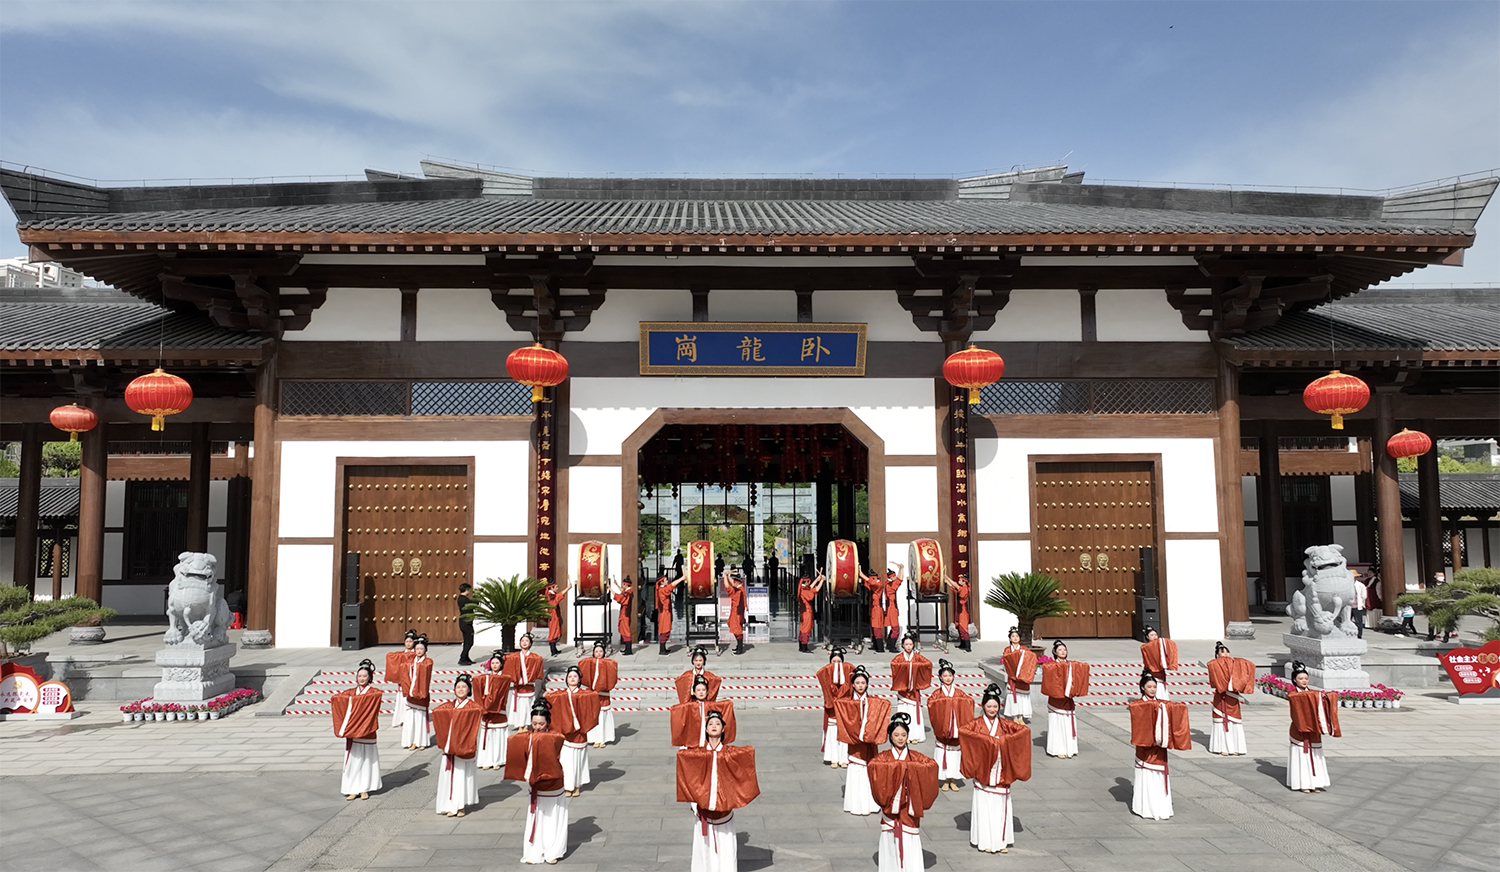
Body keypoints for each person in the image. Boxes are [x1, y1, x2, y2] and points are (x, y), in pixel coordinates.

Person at [676, 709, 759, 872]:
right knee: (703, 856)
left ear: (723, 730)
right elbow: (688, 772)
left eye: (718, 723)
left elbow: (747, 755)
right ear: (706, 730)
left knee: (726, 855)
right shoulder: (698, 754)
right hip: (704, 815)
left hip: (724, 816)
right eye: (711, 724)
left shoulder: (730, 753)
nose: (714, 726)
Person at [959, 684, 1031, 854]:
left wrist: (1004, 741)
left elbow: (1024, 731)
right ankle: (984, 841)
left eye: (995, 706)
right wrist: (987, 742)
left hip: (1001, 773)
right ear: (983, 706)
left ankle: (1001, 841)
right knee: (984, 809)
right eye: (989, 706)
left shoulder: (1005, 724)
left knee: (1000, 808)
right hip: (984, 772)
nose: (992, 709)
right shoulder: (976, 724)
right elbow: (963, 732)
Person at [867, 713, 940, 872]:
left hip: (909, 807)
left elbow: (931, 765)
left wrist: (912, 769)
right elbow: (873, 766)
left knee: (909, 839)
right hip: (891, 807)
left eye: (903, 735)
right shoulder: (883, 758)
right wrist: (899, 769)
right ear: (890, 736)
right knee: (890, 839)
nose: (900, 738)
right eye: (896, 735)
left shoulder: (916, 757)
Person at [505, 700, 568, 865]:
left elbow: (556, 739)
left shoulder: (554, 736)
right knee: (537, 818)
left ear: (548, 723)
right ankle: (535, 851)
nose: (538, 727)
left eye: (541, 724)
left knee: (553, 818)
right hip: (536, 784)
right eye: (534, 724)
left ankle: (553, 851)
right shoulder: (527, 737)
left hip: (553, 783)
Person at [1128, 670, 1190, 820]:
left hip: (1159, 748)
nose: (1152, 690)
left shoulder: (1162, 704)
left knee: (1159, 776)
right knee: (1147, 776)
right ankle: (1146, 808)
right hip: (1146, 749)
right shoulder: (1138, 705)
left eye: (1154, 687)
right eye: (1149, 687)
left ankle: (1161, 808)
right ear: (1142, 688)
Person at [834, 665, 890, 816]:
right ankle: (855, 804)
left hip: (869, 744)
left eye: (863, 683)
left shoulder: (873, 702)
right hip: (855, 745)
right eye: (857, 683)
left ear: (867, 684)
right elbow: (838, 705)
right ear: (852, 684)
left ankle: (871, 803)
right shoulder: (846, 703)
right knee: (856, 770)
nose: (860, 686)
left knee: (869, 770)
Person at [331, 659, 383, 801]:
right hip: (353, 733)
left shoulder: (374, 692)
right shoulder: (350, 692)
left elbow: (375, 699)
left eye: (365, 676)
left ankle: (364, 788)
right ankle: (352, 788)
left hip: (367, 731)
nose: (362, 678)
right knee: (353, 762)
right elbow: (339, 699)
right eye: (359, 676)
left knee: (367, 761)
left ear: (370, 677)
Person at [544, 665, 600, 797]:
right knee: (567, 761)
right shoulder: (560, 695)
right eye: (570, 676)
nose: (572, 678)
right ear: (566, 679)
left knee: (578, 761)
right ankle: (567, 786)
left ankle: (576, 785)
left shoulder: (585, 694)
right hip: (566, 734)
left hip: (580, 734)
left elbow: (593, 706)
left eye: (575, 676)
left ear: (579, 679)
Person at [1286, 661, 1342, 793]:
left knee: (1316, 755)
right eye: (1300, 678)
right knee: (1302, 756)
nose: (1304, 681)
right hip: (1299, 730)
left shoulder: (1314, 694)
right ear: (1294, 680)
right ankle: (1303, 784)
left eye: (1306, 678)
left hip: (1314, 730)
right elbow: (1300, 700)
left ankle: (1316, 783)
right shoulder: (1293, 694)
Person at [432, 674, 482, 817]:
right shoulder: (449, 706)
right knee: (448, 776)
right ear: (454, 689)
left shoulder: (473, 706)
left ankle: (460, 805)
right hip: (450, 747)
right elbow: (437, 712)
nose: (460, 689)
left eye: (464, 687)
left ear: (469, 690)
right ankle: (448, 804)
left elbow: (477, 713)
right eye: (458, 687)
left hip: (462, 746)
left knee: (461, 776)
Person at [927, 658, 973, 792]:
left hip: (956, 726)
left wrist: (956, 702)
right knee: (943, 753)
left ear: (953, 676)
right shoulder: (937, 693)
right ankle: (945, 779)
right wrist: (945, 704)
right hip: (944, 727)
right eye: (945, 675)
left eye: (950, 675)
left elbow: (969, 702)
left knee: (955, 754)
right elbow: (931, 704)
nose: (948, 678)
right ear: (940, 677)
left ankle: (953, 779)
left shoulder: (959, 692)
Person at [1040, 640, 1090, 758]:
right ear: (1055, 652)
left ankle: (1070, 748)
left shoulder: (1071, 665)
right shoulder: (1051, 666)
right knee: (1057, 725)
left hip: (1068, 700)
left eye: (1064, 649)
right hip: (1056, 701)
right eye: (1060, 650)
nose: (1063, 651)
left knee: (1067, 724)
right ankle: (1058, 749)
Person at [1206, 642, 1254, 756]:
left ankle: (1237, 747)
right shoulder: (1214, 664)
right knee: (1220, 721)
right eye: (1222, 652)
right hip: (1221, 696)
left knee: (1235, 721)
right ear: (1217, 655)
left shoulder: (1236, 663)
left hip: (1232, 697)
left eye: (1227, 652)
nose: (1226, 654)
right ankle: (1222, 747)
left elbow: (1248, 667)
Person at [671, 674, 738, 748]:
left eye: (703, 690)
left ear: (707, 692)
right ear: (694, 692)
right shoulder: (689, 707)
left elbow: (726, 704)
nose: (701, 692)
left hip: (708, 742)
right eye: (698, 690)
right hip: (693, 741)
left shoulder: (712, 706)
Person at [889, 632, 932, 744]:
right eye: (906, 644)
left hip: (914, 690)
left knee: (914, 711)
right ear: (903, 645)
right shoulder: (899, 658)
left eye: (910, 644)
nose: (908, 646)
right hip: (903, 689)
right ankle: (903, 736)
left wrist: (914, 666)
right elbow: (893, 665)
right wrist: (909, 666)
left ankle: (915, 735)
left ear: (913, 645)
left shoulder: (917, 657)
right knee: (903, 710)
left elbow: (928, 664)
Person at [474, 651, 512, 769]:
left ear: (501, 664)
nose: (495, 665)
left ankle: (497, 760)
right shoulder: (485, 678)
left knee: (497, 738)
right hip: (487, 710)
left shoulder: (504, 678)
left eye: (497, 663)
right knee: (488, 737)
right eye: (493, 663)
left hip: (499, 710)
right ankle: (486, 760)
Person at [815, 647, 853, 767]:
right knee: (832, 734)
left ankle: (844, 758)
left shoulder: (848, 673)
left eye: (839, 662)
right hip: (832, 710)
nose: (836, 665)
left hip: (845, 708)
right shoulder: (826, 674)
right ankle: (833, 757)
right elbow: (821, 674)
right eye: (834, 662)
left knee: (844, 734)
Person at [578, 640, 618, 747]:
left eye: (601, 651)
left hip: (603, 695)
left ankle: (602, 739)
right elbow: (582, 666)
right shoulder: (589, 662)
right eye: (596, 651)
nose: (599, 653)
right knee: (594, 716)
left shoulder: (608, 663)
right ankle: (594, 738)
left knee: (602, 716)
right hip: (593, 694)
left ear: (604, 652)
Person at [502, 632, 545, 729]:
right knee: (518, 707)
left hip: (528, 687)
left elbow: (538, 672)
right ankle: (519, 725)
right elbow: (505, 660)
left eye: (527, 641)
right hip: (518, 687)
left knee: (527, 706)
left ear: (530, 643)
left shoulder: (535, 658)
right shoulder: (514, 657)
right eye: (522, 641)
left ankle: (526, 724)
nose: (524, 642)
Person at [402, 636, 435, 750]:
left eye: (421, 649)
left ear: (425, 650)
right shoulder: (411, 661)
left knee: (420, 719)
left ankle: (421, 741)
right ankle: (411, 741)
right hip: (410, 694)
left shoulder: (428, 661)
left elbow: (424, 670)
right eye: (417, 649)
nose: (419, 651)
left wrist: (414, 666)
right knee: (410, 719)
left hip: (421, 693)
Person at [1000, 627, 1037, 722]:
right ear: (1010, 638)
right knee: (1013, 696)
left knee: (1022, 697)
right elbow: (1007, 661)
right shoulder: (1007, 650)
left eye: (1017, 636)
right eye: (1013, 636)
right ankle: (1014, 716)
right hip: (1012, 676)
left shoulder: (1024, 649)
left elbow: (1029, 660)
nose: (1015, 638)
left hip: (1022, 677)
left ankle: (1021, 716)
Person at [384, 629, 418, 730]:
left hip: (412, 680)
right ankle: (402, 718)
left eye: (410, 641)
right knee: (401, 700)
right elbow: (390, 656)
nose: (408, 643)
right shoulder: (400, 654)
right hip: (403, 681)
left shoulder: (416, 654)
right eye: (407, 641)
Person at [1139, 627, 1178, 699]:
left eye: (1155, 635)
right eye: (1152, 635)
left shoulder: (1160, 645)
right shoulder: (1145, 647)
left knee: (1162, 689)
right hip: (1152, 671)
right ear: (1147, 637)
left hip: (1160, 672)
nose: (1154, 637)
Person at [657, 573, 686, 655]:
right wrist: (681, 578)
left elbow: (670, 585)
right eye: (666, 580)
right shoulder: (662, 590)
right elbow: (671, 586)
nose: (667, 581)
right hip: (664, 613)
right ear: (661, 582)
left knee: (666, 630)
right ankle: (662, 649)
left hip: (666, 612)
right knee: (665, 631)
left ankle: (663, 648)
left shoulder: (662, 589)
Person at [797, 572, 826, 653]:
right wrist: (822, 581)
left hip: (803, 612)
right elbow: (815, 590)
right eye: (809, 581)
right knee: (806, 629)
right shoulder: (804, 590)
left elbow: (810, 588)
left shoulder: (802, 588)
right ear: (806, 582)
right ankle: (804, 647)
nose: (810, 582)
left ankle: (801, 646)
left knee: (802, 628)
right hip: (807, 612)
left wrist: (817, 579)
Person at [943, 575, 973, 652]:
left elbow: (955, 585)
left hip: (964, 612)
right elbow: (954, 587)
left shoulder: (965, 589)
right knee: (959, 627)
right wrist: (947, 581)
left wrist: (946, 577)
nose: (959, 581)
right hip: (960, 611)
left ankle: (967, 646)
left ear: (964, 582)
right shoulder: (962, 588)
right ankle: (962, 644)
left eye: (960, 580)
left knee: (963, 629)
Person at [863, 568, 890, 653]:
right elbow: (868, 584)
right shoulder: (874, 585)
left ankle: (880, 647)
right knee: (873, 627)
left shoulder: (878, 584)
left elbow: (871, 582)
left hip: (877, 609)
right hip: (873, 608)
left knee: (876, 628)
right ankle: (875, 645)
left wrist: (861, 574)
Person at [723, 569, 748, 655]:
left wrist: (725, 576)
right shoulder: (740, 586)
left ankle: (740, 648)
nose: (732, 582)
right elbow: (732, 582)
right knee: (733, 626)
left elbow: (727, 586)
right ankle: (739, 645)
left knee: (737, 629)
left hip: (737, 612)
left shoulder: (737, 591)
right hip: (738, 611)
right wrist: (728, 575)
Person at [545, 579, 571, 656]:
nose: (557, 588)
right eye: (556, 587)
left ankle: (555, 649)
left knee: (556, 632)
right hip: (553, 617)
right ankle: (553, 651)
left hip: (556, 616)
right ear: (551, 588)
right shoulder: (550, 596)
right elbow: (557, 597)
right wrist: (568, 588)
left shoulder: (552, 594)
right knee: (553, 633)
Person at [611, 576, 636, 655]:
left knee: (625, 631)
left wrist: (610, 589)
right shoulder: (629, 591)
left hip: (625, 615)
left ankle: (628, 650)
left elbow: (620, 597)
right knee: (624, 630)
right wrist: (617, 584)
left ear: (626, 585)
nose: (622, 586)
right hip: (625, 614)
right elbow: (623, 591)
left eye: (623, 584)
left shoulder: (627, 594)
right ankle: (627, 648)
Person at [881, 565, 905, 649]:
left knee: (893, 627)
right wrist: (901, 569)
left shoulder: (887, 584)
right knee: (895, 628)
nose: (895, 577)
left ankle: (889, 644)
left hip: (890, 607)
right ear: (890, 577)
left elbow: (898, 579)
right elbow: (899, 579)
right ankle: (891, 645)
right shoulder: (891, 586)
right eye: (893, 576)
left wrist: (900, 569)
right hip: (892, 608)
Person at [456, 583, 475, 666]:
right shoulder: (464, 600)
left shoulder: (460, 598)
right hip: (466, 623)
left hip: (464, 622)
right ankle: (463, 658)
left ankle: (466, 658)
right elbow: (473, 604)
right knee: (469, 642)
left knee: (467, 641)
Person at [1350, 571, 1372, 640]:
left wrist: (1361, 603)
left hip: (1357, 606)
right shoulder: (1346, 585)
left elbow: (1364, 595)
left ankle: (1359, 635)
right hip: (1348, 606)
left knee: (1358, 622)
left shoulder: (1360, 585)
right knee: (1347, 621)